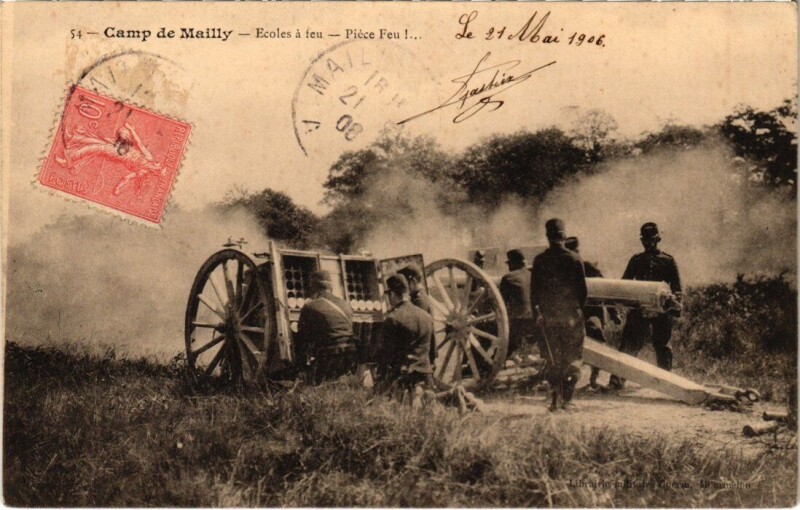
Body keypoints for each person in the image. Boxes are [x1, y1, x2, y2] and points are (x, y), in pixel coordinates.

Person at [608, 222, 682, 390]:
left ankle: (667, 382)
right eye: (645, 240)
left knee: (662, 345)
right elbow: (625, 284)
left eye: (652, 240)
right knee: (629, 343)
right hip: (639, 309)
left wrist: (675, 305)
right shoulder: (636, 260)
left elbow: (677, 287)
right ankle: (616, 381)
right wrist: (622, 303)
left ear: (658, 239)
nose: (648, 243)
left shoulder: (668, 261)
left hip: (662, 310)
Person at [530, 219, 587, 411]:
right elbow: (583, 292)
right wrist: (577, 311)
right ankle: (567, 401)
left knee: (552, 358)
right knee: (571, 359)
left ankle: (554, 402)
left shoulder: (539, 260)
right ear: (564, 236)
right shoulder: (574, 259)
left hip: (549, 317)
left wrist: (538, 314)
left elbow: (534, 293)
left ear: (547, 236)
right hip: (571, 317)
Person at [565, 236, 621, 389]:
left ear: (578, 251)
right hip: (573, 313)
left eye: (574, 252)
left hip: (592, 311)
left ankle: (594, 377)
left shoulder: (588, 267)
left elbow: (605, 289)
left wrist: (614, 312)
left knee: (595, 335)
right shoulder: (564, 268)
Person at [294, 270, 359, 384]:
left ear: (314, 289)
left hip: (329, 358)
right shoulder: (346, 305)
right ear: (331, 287)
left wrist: (300, 368)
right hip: (350, 357)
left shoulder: (310, 306)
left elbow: (302, 340)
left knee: (313, 383)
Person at [378, 274, 436, 397]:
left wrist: (379, 384)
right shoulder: (427, 317)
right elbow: (432, 353)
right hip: (427, 380)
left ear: (392, 294)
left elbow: (385, 356)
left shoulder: (393, 319)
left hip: (405, 381)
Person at [499, 249, 534, 358]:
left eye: (510, 264)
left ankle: (478, 364)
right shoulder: (533, 275)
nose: (509, 267)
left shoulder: (508, 278)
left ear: (514, 264)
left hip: (516, 325)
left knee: (482, 327)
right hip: (535, 323)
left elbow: (500, 305)